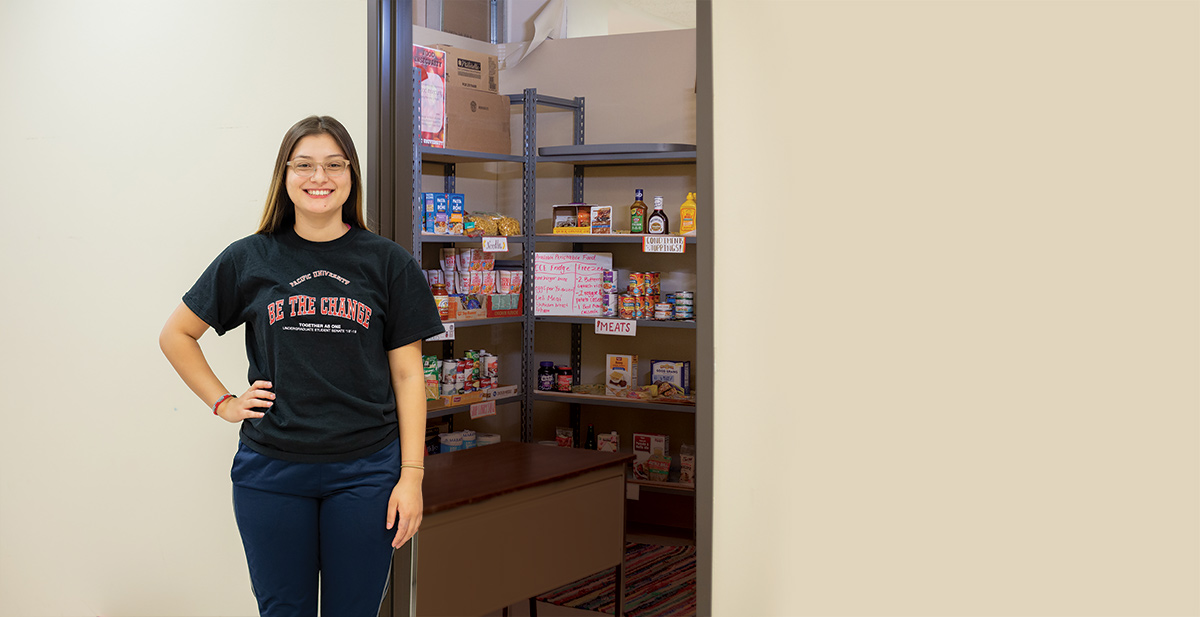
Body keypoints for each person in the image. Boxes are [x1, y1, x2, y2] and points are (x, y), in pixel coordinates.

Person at [159, 115, 444, 617]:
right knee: (281, 611)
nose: (320, 178)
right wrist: (224, 403)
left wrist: (412, 476)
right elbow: (176, 335)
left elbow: (407, 376)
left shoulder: (388, 263)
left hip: (366, 471)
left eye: (334, 165)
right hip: (270, 470)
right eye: (305, 165)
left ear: (351, 176)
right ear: (284, 176)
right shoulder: (250, 257)